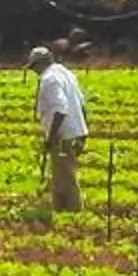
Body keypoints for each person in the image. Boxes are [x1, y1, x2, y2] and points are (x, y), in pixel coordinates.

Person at [27, 45, 88, 212]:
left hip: (63, 135)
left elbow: (60, 110)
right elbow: (82, 104)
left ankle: (74, 213)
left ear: (40, 64)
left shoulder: (49, 79)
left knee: (67, 177)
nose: (35, 72)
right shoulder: (65, 73)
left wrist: (51, 137)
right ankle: (60, 209)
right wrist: (84, 132)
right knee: (61, 176)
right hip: (76, 131)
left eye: (34, 68)